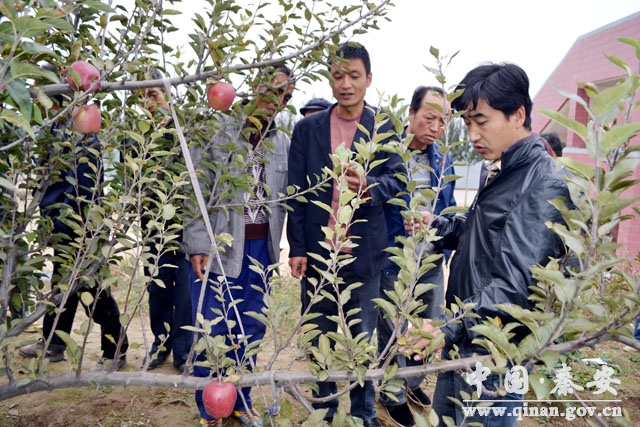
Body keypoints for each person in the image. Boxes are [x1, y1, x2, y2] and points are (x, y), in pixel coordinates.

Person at [404, 63, 572, 426]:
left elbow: (518, 283)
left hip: (494, 350)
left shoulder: (544, 181)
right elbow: (483, 232)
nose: (472, 135)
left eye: (481, 121)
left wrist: (448, 328)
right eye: (467, 123)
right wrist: (438, 226)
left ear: (518, 115)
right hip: (464, 334)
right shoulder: (499, 166)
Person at [287, 42, 404, 427]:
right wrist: (297, 247)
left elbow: (398, 180)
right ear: (330, 79)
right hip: (319, 251)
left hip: (364, 251)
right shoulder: (307, 129)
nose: (346, 84)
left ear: (369, 79)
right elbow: (296, 191)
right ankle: (324, 407)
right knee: (319, 332)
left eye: (354, 75)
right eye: (338, 76)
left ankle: (363, 412)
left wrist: (369, 186)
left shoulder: (384, 126)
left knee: (362, 338)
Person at [182, 64, 294, 427]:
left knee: (250, 327)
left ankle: (241, 400)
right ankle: (210, 409)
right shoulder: (216, 130)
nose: (278, 101)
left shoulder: (281, 142)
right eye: (274, 90)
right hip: (219, 248)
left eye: (286, 97)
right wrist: (197, 242)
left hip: (262, 251)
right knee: (213, 328)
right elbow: (196, 188)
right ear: (255, 85)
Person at [19, 65, 129, 371]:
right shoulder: (52, 128)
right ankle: (54, 343)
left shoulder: (80, 130)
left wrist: (77, 230)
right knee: (61, 287)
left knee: (93, 291)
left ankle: (115, 349)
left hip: (80, 227)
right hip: (61, 225)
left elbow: (84, 187)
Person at [378, 86, 456, 426]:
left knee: (429, 324)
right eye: (429, 118)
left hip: (431, 257)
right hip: (395, 258)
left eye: (443, 121)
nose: (436, 127)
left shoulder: (442, 159)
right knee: (392, 327)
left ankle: (411, 381)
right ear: (410, 114)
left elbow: (448, 206)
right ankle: (391, 394)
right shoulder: (389, 153)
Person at [137, 72, 192, 373]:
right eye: (142, 97)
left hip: (184, 228)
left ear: (167, 95)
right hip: (153, 230)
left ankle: (183, 352)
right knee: (158, 291)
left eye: (153, 95)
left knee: (183, 292)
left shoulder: (184, 131)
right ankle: (160, 345)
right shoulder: (138, 137)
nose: (148, 102)